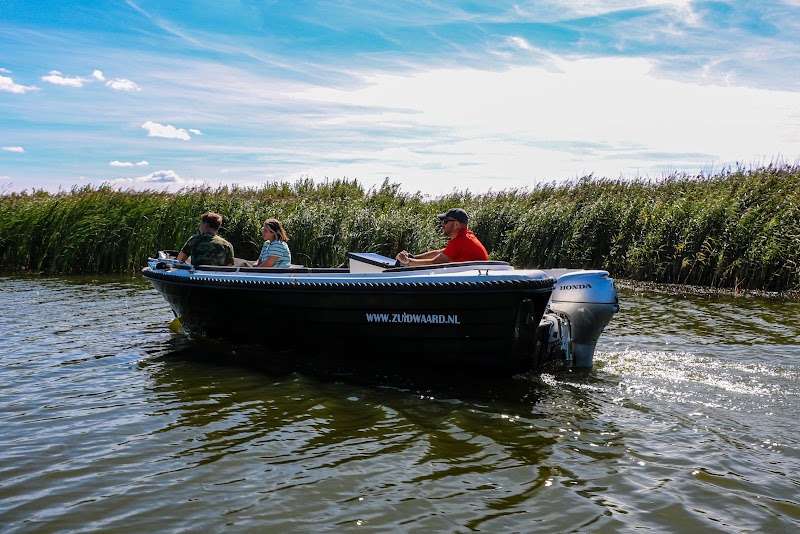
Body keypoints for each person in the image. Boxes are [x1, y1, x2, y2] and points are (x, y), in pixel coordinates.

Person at [395, 208, 488, 266]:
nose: (443, 224)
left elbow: (435, 263)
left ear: (456, 224)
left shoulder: (459, 241)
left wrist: (407, 261)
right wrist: (414, 257)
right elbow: (440, 252)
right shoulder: (467, 237)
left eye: (446, 221)